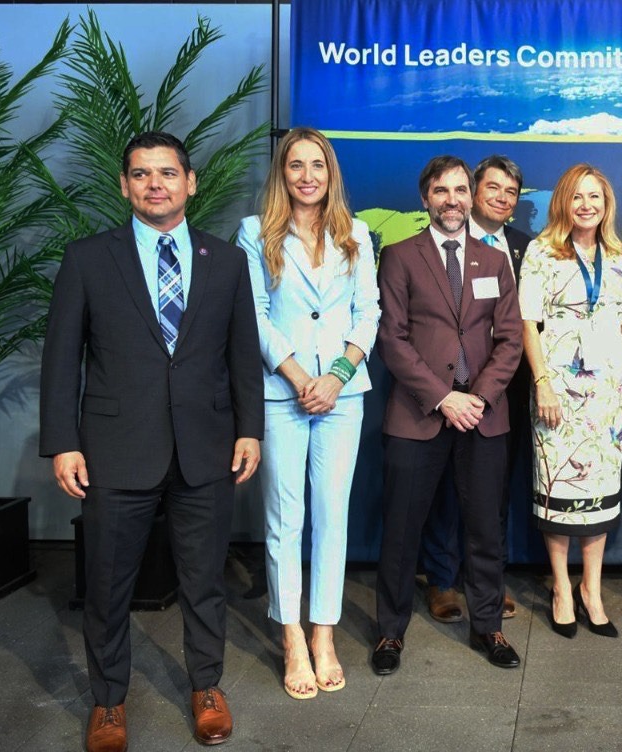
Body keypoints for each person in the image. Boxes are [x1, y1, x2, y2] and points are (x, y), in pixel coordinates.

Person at [40, 131, 263, 750]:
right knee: (108, 585)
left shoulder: (227, 261)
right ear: (124, 186)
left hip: (207, 448)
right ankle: (109, 702)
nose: (155, 184)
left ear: (190, 183)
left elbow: (242, 356)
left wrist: (250, 430)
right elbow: (62, 360)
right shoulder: (88, 258)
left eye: (167, 173)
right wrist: (63, 441)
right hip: (114, 448)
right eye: (141, 174)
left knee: (204, 581)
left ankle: (206, 686)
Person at [235, 127, 380, 699]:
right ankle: (291, 636)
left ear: (330, 172)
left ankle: (325, 634)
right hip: (283, 393)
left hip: (343, 395)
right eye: (295, 165)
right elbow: (254, 315)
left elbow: (368, 312)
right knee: (284, 517)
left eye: (316, 164)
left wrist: (337, 376)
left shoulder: (357, 233)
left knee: (332, 516)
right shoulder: (255, 233)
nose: (307, 175)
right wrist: (299, 378)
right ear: (283, 173)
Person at [373, 155, 523, 673]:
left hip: (484, 415)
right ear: (426, 198)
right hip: (419, 413)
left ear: (471, 195)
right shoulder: (398, 256)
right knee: (401, 531)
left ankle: (489, 628)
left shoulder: (495, 260)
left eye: (461, 189)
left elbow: (510, 339)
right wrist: (443, 397)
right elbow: (391, 339)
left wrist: (476, 397)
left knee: (485, 530)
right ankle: (389, 634)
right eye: (442, 190)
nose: (453, 199)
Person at [519, 164, 622, 638]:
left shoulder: (619, 254)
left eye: (595, 196)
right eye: (578, 197)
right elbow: (526, 323)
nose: (587, 205)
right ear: (563, 203)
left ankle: (591, 590)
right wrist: (542, 383)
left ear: (606, 202)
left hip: (607, 393)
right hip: (558, 391)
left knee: (597, 496)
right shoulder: (541, 252)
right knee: (560, 494)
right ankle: (560, 587)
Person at [418, 155, 531, 624]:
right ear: (471, 192)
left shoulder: (526, 248)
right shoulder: (429, 248)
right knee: (444, 491)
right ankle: (443, 581)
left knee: (493, 493)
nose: (502, 198)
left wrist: (489, 391)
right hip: (441, 394)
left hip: (502, 393)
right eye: (493, 187)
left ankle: (489, 581)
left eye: (511, 192)